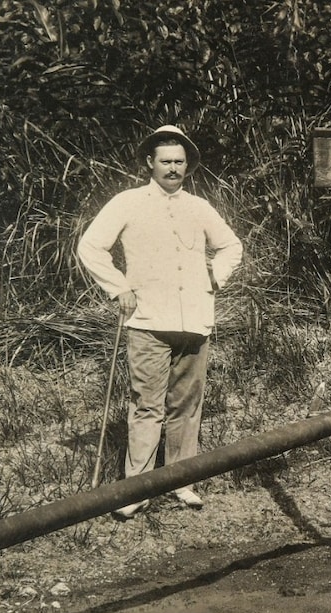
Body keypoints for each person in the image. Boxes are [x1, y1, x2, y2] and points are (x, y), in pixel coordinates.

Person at [78, 124, 243, 519]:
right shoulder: (128, 202)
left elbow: (231, 245)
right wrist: (118, 287)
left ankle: (182, 481)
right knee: (146, 405)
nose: (172, 169)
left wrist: (215, 276)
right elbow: (90, 246)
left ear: (188, 167)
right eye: (165, 161)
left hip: (195, 322)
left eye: (179, 162)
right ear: (150, 164)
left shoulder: (199, 207)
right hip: (148, 320)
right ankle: (137, 488)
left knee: (186, 406)